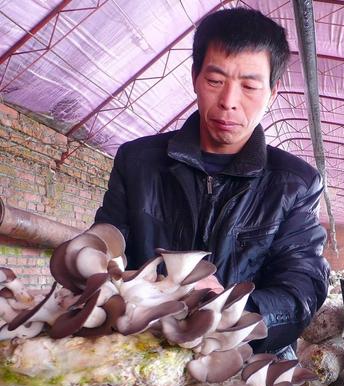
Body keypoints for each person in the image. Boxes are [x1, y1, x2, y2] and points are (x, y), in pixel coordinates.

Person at [95, 8, 330, 359]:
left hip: (247, 361)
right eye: (215, 81)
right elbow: (105, 253)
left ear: (273, 92)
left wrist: (230, 309)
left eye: (249, 86)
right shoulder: (138, 162)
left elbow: (301, 291)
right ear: (194, 77)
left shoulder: (295, 183)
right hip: (143, 348)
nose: (229, 102)